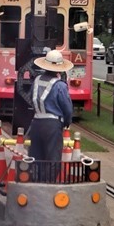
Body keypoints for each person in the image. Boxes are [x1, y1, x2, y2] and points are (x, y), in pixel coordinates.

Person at [28, 49, 73, 180]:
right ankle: (48, 184)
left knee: (36, 156)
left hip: (36, 123)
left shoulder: (36, 81)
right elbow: (67, 108)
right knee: (52, 158)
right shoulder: (60, 86)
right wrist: (67, 122)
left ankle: (34, 182)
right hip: (52, 125)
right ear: (59, 69)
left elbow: (31, 98)